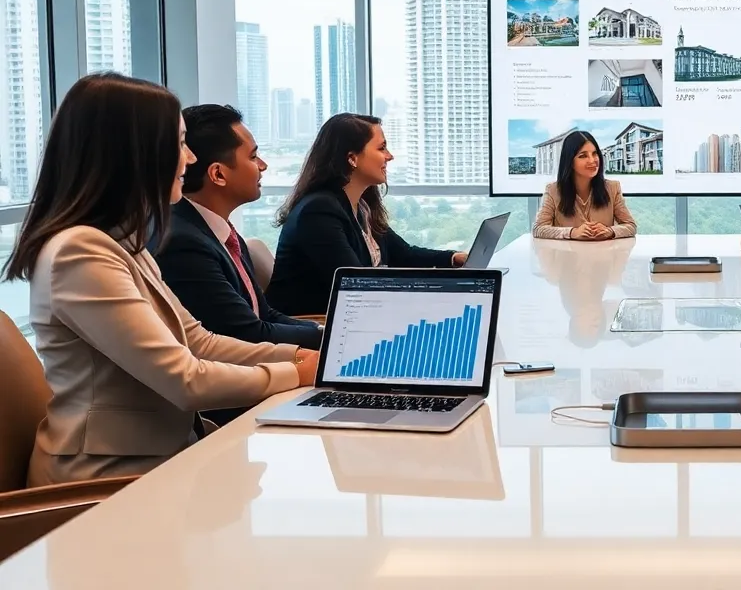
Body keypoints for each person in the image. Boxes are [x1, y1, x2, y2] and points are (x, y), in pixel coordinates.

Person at [6, 73, 318, 485]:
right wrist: (295, 373)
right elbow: (184, 379)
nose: (189, 159)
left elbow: (199, 342)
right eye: (180, 143)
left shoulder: (124, 245)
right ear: (135, 154)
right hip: (103, 481)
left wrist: (296, 357)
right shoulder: (80, 253)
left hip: (161, 460)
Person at [154, 105, 321, 351]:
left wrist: (324, 331)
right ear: (218, 174)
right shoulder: (182, 243)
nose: (262, 165)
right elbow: (246, 333)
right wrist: (336, 339)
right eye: (253, 157)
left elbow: (264, 314)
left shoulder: (221, 232)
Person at [267, 113, 466, 316]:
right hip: (313, 322)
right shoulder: (318, 211)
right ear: (352, 158)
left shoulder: (361, 207)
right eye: (381, 148)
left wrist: (454, 258)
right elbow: (356, 285)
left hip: (354, 316)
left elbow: (404, 254)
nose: (389, 156)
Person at [532, 130, 637, 240]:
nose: (592, 160)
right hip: (567, 251)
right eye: (583, 156)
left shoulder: (612, 187)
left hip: (602, 250)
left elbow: (631, 226)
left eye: (595, 154)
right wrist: (572, 232)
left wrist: (610, 231)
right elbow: (539, 228)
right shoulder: (553, 190)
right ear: (570, 161)